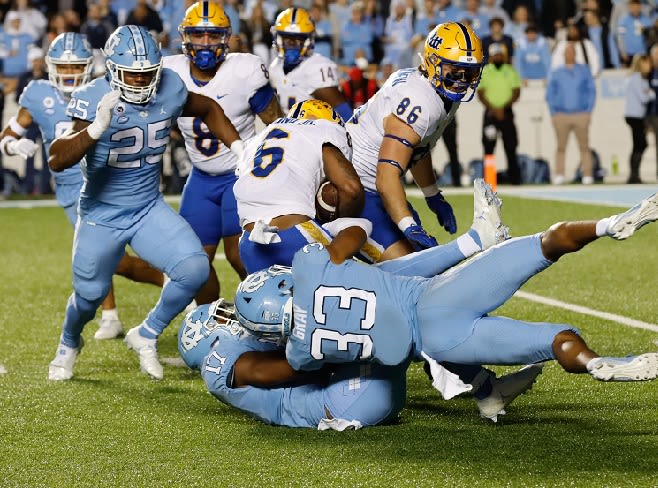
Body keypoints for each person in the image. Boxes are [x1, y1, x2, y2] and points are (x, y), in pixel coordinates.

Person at [234, 191, 658, 391]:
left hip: (439, 345)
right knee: (541, 244)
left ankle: (599, 362)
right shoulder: (308, 265)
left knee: (554, 340)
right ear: (281, 283)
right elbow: (354, 228)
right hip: (434, 298)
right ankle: (609, 225)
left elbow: (295, 372)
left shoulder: (299, 352)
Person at [46, 25, 242, 381]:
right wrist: (94, 128)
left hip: (147, 207)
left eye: (147, 75)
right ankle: (69, 342)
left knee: (195, 268)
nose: (141, 83)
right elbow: (57, 159)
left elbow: (208, 107)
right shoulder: (93, 98)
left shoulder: (168, 86)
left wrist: (239, 148)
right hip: (101, 214)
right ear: (113, 71)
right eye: (133, 76)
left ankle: (146, 333)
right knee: (88, 298)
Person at [0, 32, 163, 341]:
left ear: (89, 67)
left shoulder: (105, 88)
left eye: (76, 67)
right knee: (101, 258)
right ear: (50, 66)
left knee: (110, 258)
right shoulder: (37, 94)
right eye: (64, 66)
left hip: (107, 181)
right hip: (69, 189)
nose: (69, 73)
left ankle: (175, 282)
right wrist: (13, 147)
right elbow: (9, 133)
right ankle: (111, 315)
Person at [162, 1, 283, 305]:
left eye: (213, 35)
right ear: (185, 37)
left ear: (226, 38)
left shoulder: (244, 70)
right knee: (192, 264)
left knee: (238, 254)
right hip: (200, 178)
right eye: (198, 35)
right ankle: (210, 319)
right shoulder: (169, 72)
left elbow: (279, 125)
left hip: (239, 174)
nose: (205, 43)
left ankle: (267, 311)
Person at [348, 22, 485, 261]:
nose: (463, 80)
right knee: (410, 268)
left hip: (370, 185)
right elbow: (386, 175)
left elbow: (416, 150)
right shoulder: (419, 100)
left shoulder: (437, 91)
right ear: (433, 63)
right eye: (455, 70)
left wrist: (432, 195)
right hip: (356, 189)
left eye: (470, 72)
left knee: (425, 262)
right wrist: (408, 225)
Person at [234, 99, 365, 273]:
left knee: (276, 299)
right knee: (358, 233)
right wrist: (331, 216)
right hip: (296, 234)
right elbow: (351, 189)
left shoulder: (256, 140)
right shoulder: (324, 129)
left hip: (250, 243)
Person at [268, 7, 352, 121]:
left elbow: (343, 112)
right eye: (287, 38)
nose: (292, 44)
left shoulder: (318, 67)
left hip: (314, 133)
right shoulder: (275, 67)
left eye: (298, 39)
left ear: (309, 40)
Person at [545, 42, 597, 185]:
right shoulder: (557, 72)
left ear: (575, 54)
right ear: (563, 55)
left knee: (584, 146)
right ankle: (560, 174)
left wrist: (588, 110)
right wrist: (553, 112)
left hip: (581, 114)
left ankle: (587, 174)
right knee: (561, 147)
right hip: (561, 115)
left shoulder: (584, 71)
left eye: (572, 51)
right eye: (567, 52)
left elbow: (591, 90)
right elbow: (550, 93)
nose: (569, 54)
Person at [478, 42, 522, 185]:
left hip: (507, 112)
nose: (497, 57)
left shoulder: (510, 70)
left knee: (511, 146)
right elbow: (481, 93)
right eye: (494, 55)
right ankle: (490, 180)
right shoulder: (485, 71)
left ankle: (515, 180)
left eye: (499, 54)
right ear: (490, 57)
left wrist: (503, 107)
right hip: (490, 113)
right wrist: (494, 108)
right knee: (489, 147)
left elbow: (516, 91)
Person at [624, 53, 654, 184]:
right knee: (639, 144)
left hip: (637, 115)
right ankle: (633, 175)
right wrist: (651, 94)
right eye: (647, 63)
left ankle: (634, 175)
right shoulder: (636, 78)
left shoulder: (639, 78)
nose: (650, 66)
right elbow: (644, 97)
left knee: (639, 144)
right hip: (634, 116)